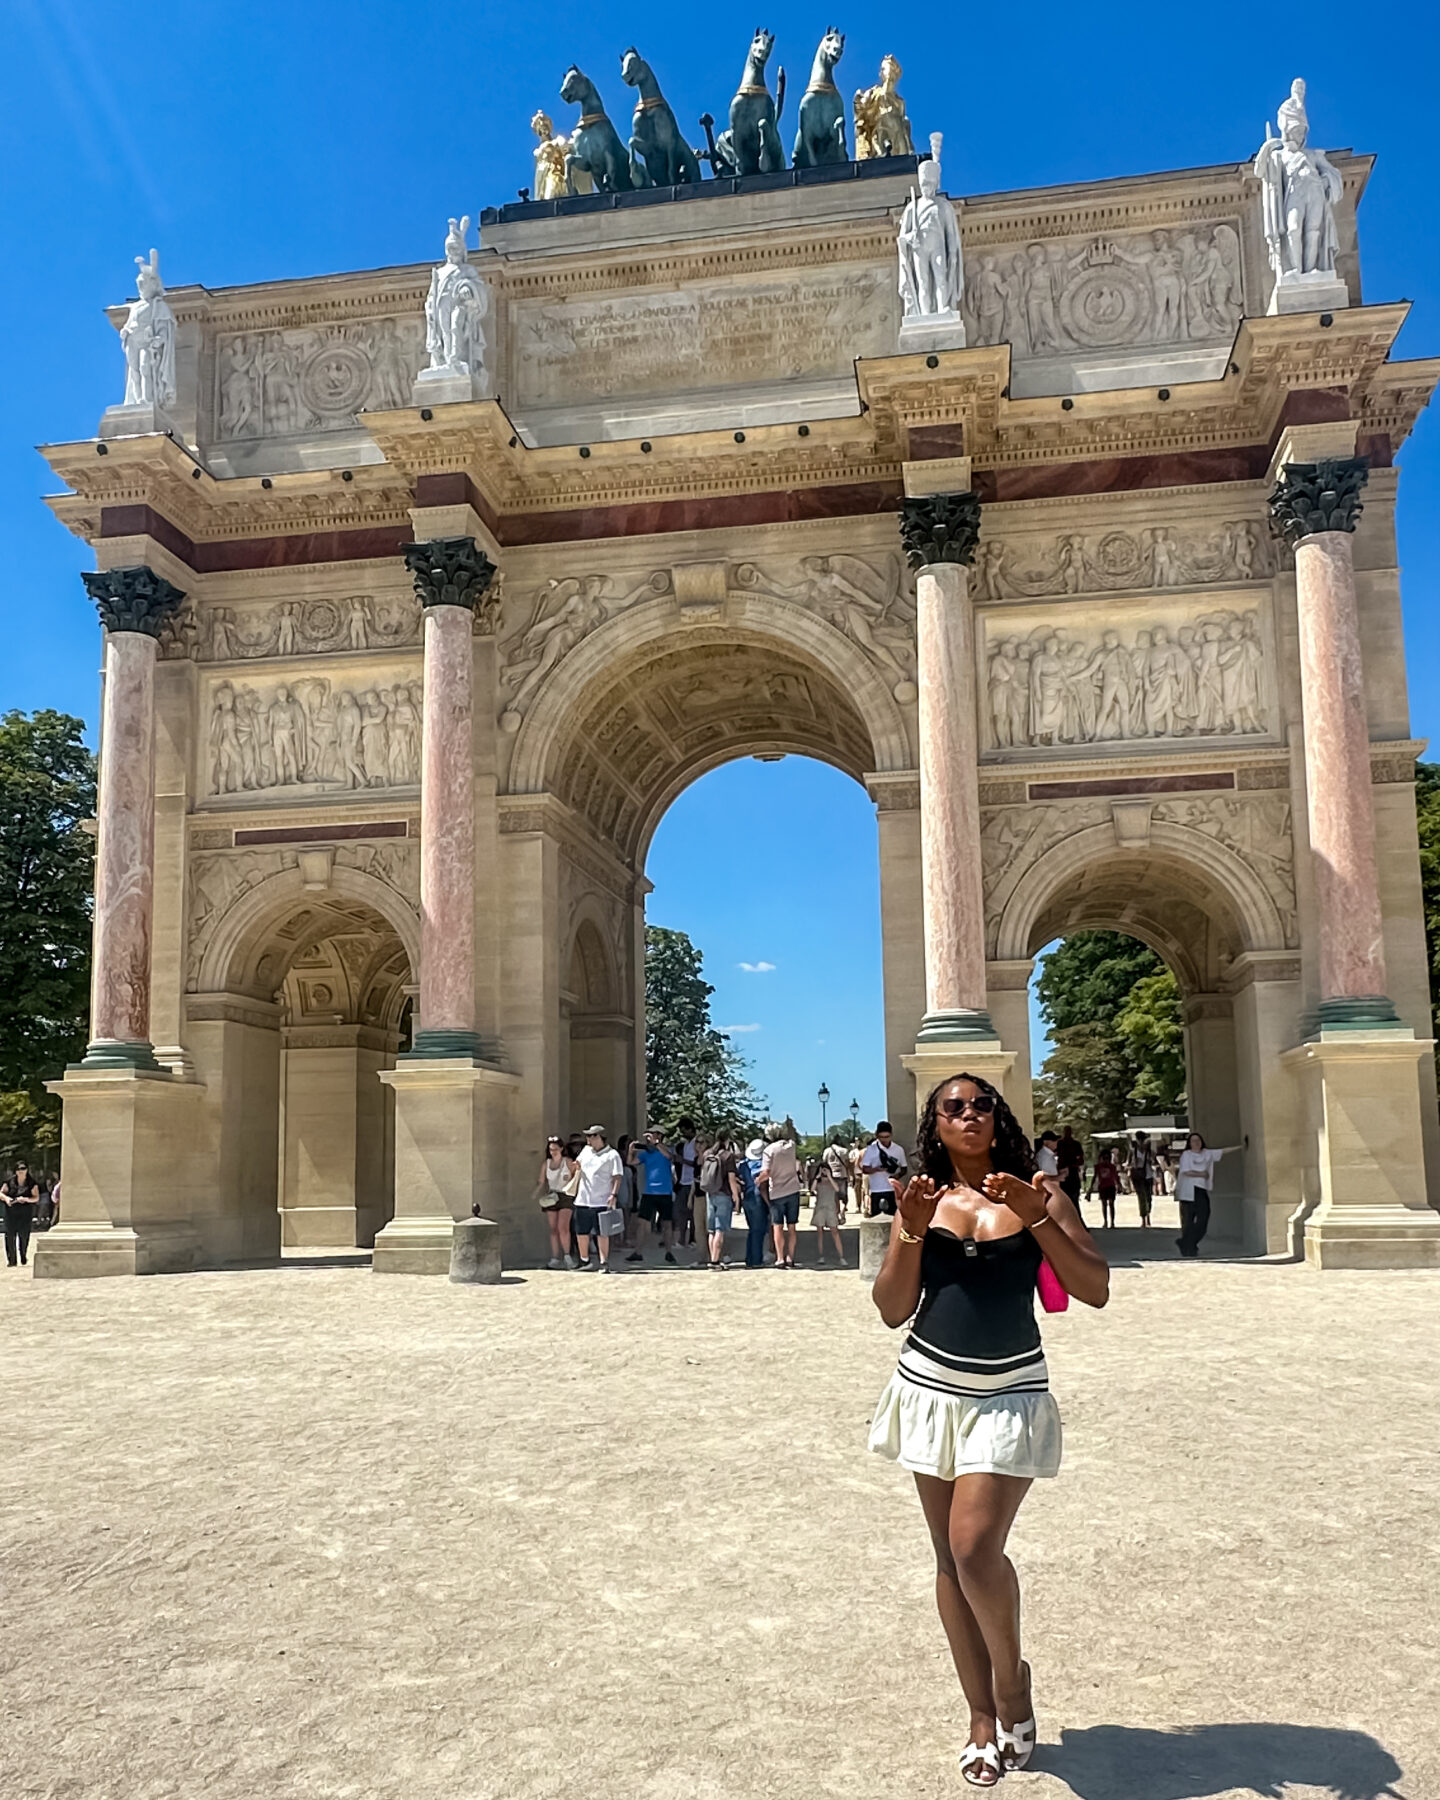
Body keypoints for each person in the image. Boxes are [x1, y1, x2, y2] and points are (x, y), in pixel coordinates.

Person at [868, 1074, 1110, 1785]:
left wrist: (1038, 1216)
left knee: (975, 1548)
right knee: (948, 1560)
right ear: (934, 1126)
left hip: (1010, 1393)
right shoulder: (922, 1199)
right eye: (953, 1108)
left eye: (980, 1105)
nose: (969, 1115)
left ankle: (1011, 1685)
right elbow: (890, 1308)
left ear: (997, 1117)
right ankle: (980, 1717)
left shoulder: (1040, 1190)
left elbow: (1094, 1287)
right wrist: (911, 1231)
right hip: (929, 1388)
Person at [1175, 1131, 1242, 1258]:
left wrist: (1241, 1146)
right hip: (1188, 1190)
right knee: (1188, 1222)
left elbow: (1223, 1151)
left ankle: (1186, 1243)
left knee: (1203, 1220)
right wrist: (1201, 1174)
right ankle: (1189, 1247)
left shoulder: (1207, 1154)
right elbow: (1185, 1171)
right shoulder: (1186, 1155)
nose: (1196, 1143)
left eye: (1198, 1140)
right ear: (1189, 1143)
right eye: (1193, 1141)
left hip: (1201, 1190)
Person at [573, 1125, 623, 1273]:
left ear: (600, 1137)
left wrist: (613, 1195)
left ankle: (603, 1262)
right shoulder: (586, 1151)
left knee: (602, 1232)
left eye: (592, 1136)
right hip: (583, 1198)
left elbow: (617, 1176)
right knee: (581, 1231)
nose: (588, 1139)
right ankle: (584, 1260)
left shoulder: (612, 1155)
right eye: (588, 1136)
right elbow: (578, 1165)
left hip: (602, 1199)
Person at [630, 1128, 679, 1266]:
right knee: (642, 1223)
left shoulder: (666, 1149)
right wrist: (631, 1150)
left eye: (653, 1134)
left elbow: (669, 1156)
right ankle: (638, 1252)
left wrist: (656, 1143)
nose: (649, 1138)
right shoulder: (646, 1153)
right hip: (649, 1192)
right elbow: (631, 1162)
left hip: (665, 1192)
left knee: (666, 1224)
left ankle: (669, 1252)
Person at [759, 1121, 803, 1268]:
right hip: (793, 1189)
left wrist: (757, 1181)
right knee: (792, 1227)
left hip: (777, 1191)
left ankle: (780, 1258)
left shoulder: (768, 1151)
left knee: (777, 1227)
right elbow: (792, 1135)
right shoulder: (791, 1146)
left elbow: (766, 1173)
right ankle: (791, 1256)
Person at [536, 1135, 579, 1269]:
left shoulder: (568, 1162)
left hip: (565, 1195)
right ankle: (555, 1257)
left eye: (555, 1149)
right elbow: (541, 1181)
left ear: (561, 1148)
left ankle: (567, 1255)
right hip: (552, 1195)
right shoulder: (546, 1164)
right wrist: (535, 1194)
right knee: (553, 1229)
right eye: (551, 1149)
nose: (553, 1152)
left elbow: (576, 1177)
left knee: (563, 1227)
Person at [700, 1132, 741, 1269]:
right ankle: (716, 1261)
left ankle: (712, 1259)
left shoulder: (707, 1154)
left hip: (710, 1193)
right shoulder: (727, 1156)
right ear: (727, 1139)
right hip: (724, 1194)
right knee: (720, 1229)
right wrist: (736, 1196)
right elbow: (731, 1178)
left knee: (711, 1230)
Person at [810, 1140, 848, 1265]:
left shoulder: (832, 1182)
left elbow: (837, 1189)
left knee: (835, 1232)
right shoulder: (819, 1182)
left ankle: (841, 1256)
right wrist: (817, 1177)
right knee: (820, 1233)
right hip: (820, 1208)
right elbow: (812, 1189)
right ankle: (821, 1255)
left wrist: (830, 1177)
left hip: (831, 1208)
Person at [862, 1121, 909, 1217]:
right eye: (881, 1137)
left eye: (887, 1137)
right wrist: (876, 1169)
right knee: (877, 1217)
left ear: (891, 1135)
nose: (884, 1140)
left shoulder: (898, 1149)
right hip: (876, 1189)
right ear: (877, 1136)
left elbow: (904, 1168)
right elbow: (865, 1169)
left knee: (894, 1217)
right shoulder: (871, 1149)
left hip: (892, 1189)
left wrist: (896, 1176)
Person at [2, 1162, 42, 1268]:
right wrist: (7, 1199)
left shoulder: (32, 1183)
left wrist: (26, 1199)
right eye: (19, 1169)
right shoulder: (9, 1182)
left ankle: (23, 1255)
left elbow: (36, 1197)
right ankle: (12, 1260)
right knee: (9, 1236)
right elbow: (1, 1193)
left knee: (24, 1236)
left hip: (25, 1213)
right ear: (15, 1171)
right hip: (11, 1212)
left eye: (23, 1169)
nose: (21, 1171)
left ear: (27, 1170)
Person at [738, 1137, 769, 1268]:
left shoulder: (743, 1164)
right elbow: (762, 1185)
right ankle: (756, 1259)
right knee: (759, 1230)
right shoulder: (762, 1165)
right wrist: (768, 1203)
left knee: (752, 1229)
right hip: (757, 1197)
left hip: (747, 1196)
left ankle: (749, 1258)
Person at [674, 1117, 700, 1249]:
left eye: (684, 1130)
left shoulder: (697, 1143)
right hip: (683, 1181)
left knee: (692, 1213)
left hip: (692, 1182)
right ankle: (682, 1239)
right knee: (681, 1212)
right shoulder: (685, 1144)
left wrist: (683, 1161)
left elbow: (697, 1163)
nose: (683, 1133)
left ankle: (692, 1239)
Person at [1128, 1131, 1157, 1227]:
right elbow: (1128, 1164)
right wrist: (1133, 1163)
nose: (1141, 1142)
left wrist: (1150, 1160)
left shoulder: (1149, 1152)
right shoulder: (1133, 1152)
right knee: (1141, 1197)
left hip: (1147, 1175)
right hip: (1137, 1176)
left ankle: (1148, 1216)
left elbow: (1155, 1163)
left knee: (1148, 1197)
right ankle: (1143, 1218)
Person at [1088, 1148, 1120, 1230]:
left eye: (1107, 1158)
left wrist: (1119, 1185)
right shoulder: (1098, 1167)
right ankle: (1105, 1221)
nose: (1106, 1160)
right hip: (1102, 1186)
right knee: (1104, 1204)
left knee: (1111, 1204)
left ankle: (1112, 1222)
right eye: (1104, 1158)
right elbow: (1095, 1177)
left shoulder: (1112, 1167)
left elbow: (1116, 1177)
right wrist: (1090, 1189)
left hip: (1111, 1186)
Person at [1055, 1127, 1085, 1211]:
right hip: (1063, 1173)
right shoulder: (1060, 1144)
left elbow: (1081, 1159)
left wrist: (1073, 1165)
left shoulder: (1075, 1144)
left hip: (1073, 1172)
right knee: (1064, 1198)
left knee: (1074, 1199)